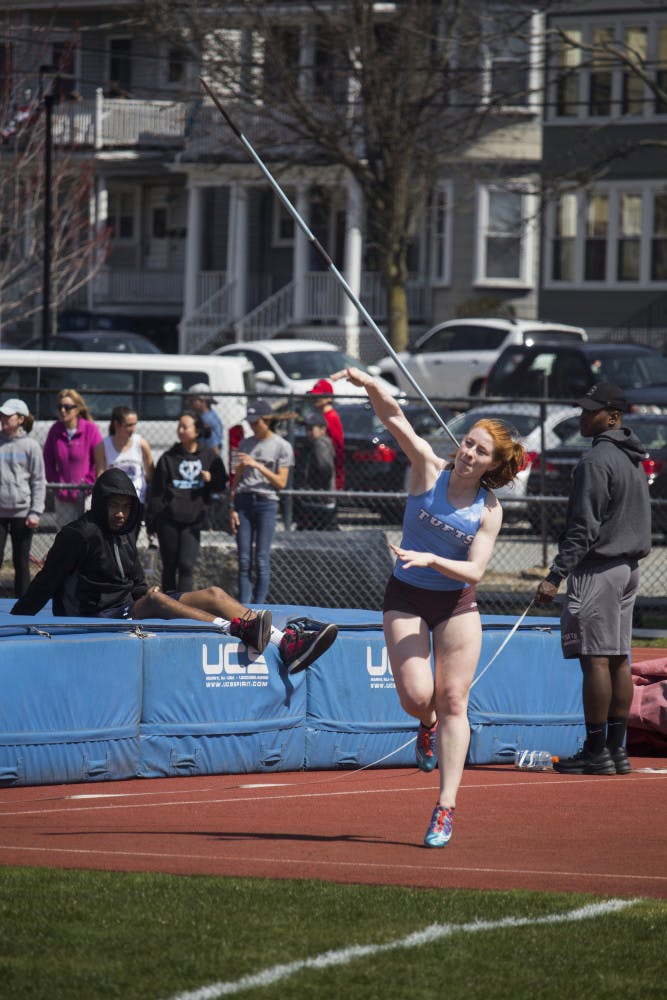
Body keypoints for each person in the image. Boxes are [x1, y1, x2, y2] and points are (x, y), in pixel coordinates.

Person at [332, 366, 525, 849]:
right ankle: (425, 725)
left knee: (454, 698)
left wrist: (433, 558)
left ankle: (445, 806)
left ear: (491, 465)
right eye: (467, 443)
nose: (468, 453)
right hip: (406, 596)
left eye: (480, 451)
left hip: (456, 603)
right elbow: (395, 419)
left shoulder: (489, 510)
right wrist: (371, 385)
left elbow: (475, 572)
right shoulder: (428, 468)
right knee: (419, 697)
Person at [11, 468, 338, 675]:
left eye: (126, 507)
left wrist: (152, 596)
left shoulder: (125, 533)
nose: (121, 514)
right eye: (114, 506)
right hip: (96, 615)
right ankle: (238, 629)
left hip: (125, 606)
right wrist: (13, 621)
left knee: (213, 594)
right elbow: (46, 581)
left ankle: (286, 643)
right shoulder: (78, 535)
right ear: (100, 503)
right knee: (156, 600)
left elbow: (136, 584)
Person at [535, 382, 651, 776]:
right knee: (618, 659)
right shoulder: (632, 457)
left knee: (595, 660)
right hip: (628, 569)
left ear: (613, 417)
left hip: (598, 570)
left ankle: (596, 750)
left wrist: (555, 575)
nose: (583, 416)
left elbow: (583, 528)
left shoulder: (596, 461)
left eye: (591, 411)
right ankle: (616, 750)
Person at [146, 411, 227, 593]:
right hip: (168, 520)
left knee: (186, 565)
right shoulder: (168, 457)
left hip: (193, 521)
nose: (180, 430)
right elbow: (157, 492)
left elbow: (221, 484)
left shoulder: (208, 456)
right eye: (179, 427)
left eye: (185, 427)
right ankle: (168, 604)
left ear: (197, 431)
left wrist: (211, 479)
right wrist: (151, 521)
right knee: (169, 565)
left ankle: (184, 605)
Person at [230, 397, 294, 604]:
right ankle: (244, 606)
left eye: (256, 422)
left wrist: (257, 465)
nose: (252, 426)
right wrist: (231, 506)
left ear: (267, 420)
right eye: (250, 422)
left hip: (266, 503)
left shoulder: (282, 446)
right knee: (243, 559)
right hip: (244, 501)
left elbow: (281, 482)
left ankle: (258, 607)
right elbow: (236, 478)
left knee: (261, 559)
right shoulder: (245, 443)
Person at [0, 398, 46, 597]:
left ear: (20, 419)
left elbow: (38, 480)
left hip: (23, 513)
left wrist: (35, 512)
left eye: (8, 416)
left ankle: (23, 604)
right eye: (2, 415)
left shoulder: (31, 446)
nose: (3, 419)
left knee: (21, 561)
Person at [43, 388, 103, 527]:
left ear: (77, 409)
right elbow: (48, 461)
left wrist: (87, 485)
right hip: (63, 496)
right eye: (60, 407)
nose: (63, 410)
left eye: (67, 407)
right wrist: (58, 486)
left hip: (87, 493)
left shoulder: (90, 429)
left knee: (87, 532)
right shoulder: (55, 430)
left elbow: (98, 461)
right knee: (66, 534)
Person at [94, 405, 154, 504]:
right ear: (116, 424)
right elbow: (100, 476)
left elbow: (150, 475)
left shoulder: (141, 443)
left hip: (138, 500)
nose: (133, 429)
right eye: (129, 425)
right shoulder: (103, 446)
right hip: (114, 501)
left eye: (134, 424)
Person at [293, 411, 337, 530]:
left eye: (311, 429)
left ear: (323, 429)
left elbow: (325, 469)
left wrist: (312, 486)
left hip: (319, 500)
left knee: (318, 531)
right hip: (317, 499)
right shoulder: (314, 443)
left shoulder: (320, 443)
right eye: (306, 429)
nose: (307, 432)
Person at [307, 379, 345, 490]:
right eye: (314, 396)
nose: (315, 398)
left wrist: (338, 475)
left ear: (329, 398)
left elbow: (338, 445)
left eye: (319, 396)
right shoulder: (318, 415)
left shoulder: (331, 416)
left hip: (328, 467)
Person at [186, 383, 223, 455]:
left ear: (202, 400)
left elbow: (214, 448)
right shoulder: (210, 415)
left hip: (208, 458)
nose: (190, 403)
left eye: (192, 400)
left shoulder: (206, 420)